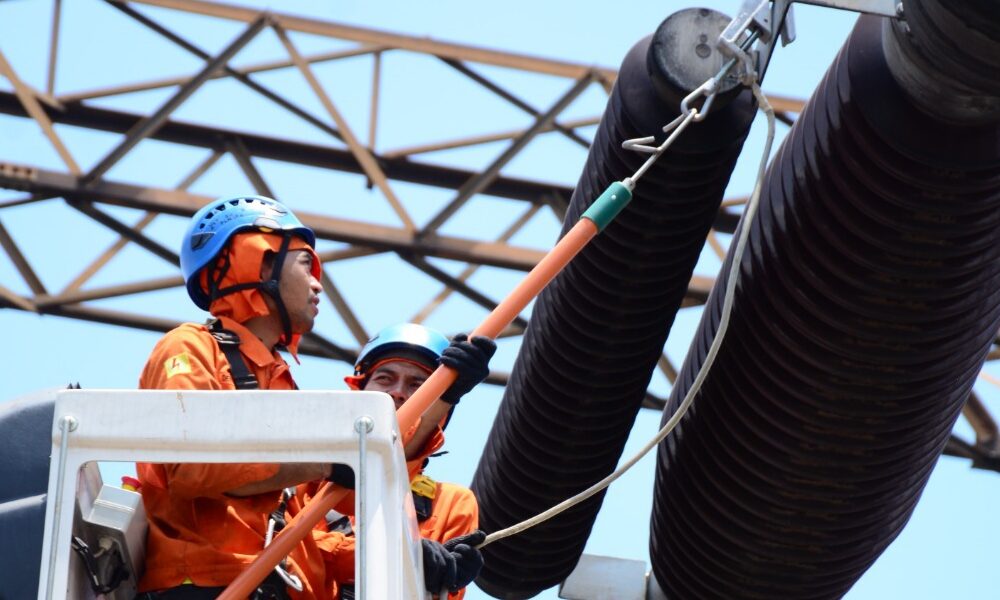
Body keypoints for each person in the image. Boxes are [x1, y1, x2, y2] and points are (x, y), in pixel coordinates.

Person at [134, 195, 483, 599]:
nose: (318, 284)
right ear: (258, 261)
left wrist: (407, 556)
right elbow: (190, 464)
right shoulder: (192, 348)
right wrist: (326, 461)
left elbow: (325, 521)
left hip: (275, 586)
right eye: (306, 265)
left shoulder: (277, 381)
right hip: (210, 584)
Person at [334, 323, 496, 599]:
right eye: (385, 378)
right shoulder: (310, 469)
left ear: (442, 412)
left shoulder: (450, 504)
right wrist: (401, 557)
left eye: (417, 385)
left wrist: (443, 575)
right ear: (358, 390)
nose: (398, 392)